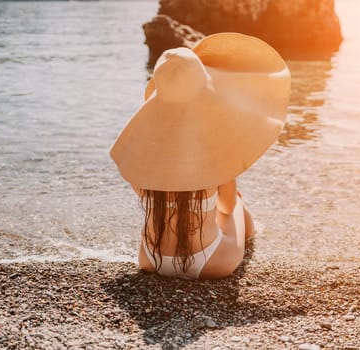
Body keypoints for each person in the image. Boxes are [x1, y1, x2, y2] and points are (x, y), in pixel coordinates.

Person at [110, 33, 291, 279]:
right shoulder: (212, 150)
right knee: (235, 203)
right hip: (210, 261)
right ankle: (252, 232)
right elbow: (226, 207)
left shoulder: (143, 153)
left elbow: (144, 192)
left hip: (150, 258)